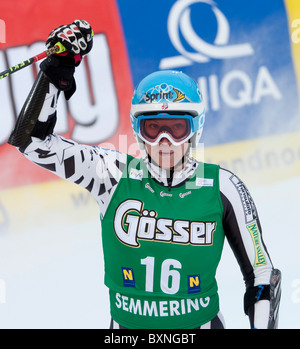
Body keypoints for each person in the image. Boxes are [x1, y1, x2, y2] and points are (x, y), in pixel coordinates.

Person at [8, 20, 281, 329]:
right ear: (137, 131)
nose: (164, 141)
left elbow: (261, 275)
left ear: (196, 129)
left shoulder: (225, 187)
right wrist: (58, 68)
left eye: (177, 128)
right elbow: (31, 143)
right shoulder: (110, 175)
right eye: (153, 128)